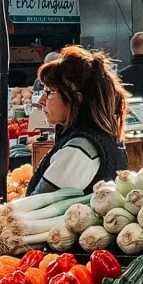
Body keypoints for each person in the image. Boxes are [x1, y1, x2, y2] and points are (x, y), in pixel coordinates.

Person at [27, 46, 129, 196]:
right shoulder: (94, 137)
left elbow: (37, 204)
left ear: (76, 99)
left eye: (49, 92)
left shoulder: (79, 150)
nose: (41, 100)